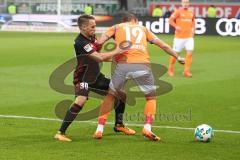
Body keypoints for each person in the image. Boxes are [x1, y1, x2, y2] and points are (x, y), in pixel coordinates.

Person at [93, 12, 185, 141]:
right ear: (135, 20)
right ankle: (147, 128)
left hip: (122, 66)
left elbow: (100, 42)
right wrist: (178, 56)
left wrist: (98, 53)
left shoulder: (115, 27)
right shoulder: (143, 29)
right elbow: (163, 45)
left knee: (110, 96)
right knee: (150, 98)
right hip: (142, 66)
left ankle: (99, 129)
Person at [54, 14, 135, 142]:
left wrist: (116, 59)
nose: (95, 28)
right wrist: (117, 50)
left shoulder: (91, 37)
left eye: (95, 25)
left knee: (122, 94)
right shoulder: (81, 42)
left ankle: (119, 125)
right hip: (83, 78)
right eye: (92, 26)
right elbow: (99, 57)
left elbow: (99, 51)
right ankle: (60, 132)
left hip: (96, 77)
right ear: (84, 27)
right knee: (80, 101)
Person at [168, 0, 195, 77]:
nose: (185, 4)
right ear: (181, 3)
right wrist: (176, 26)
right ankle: (170, 69)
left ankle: (186, 71)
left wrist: (193, 30)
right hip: (179, 37)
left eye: (187, 2)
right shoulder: (178, 11)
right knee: (175, 54)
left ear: (189, 3)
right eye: (184, 2)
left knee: (190, 53)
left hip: (189, 37)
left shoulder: (191, 12)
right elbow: (170, 20)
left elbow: (193, 22)